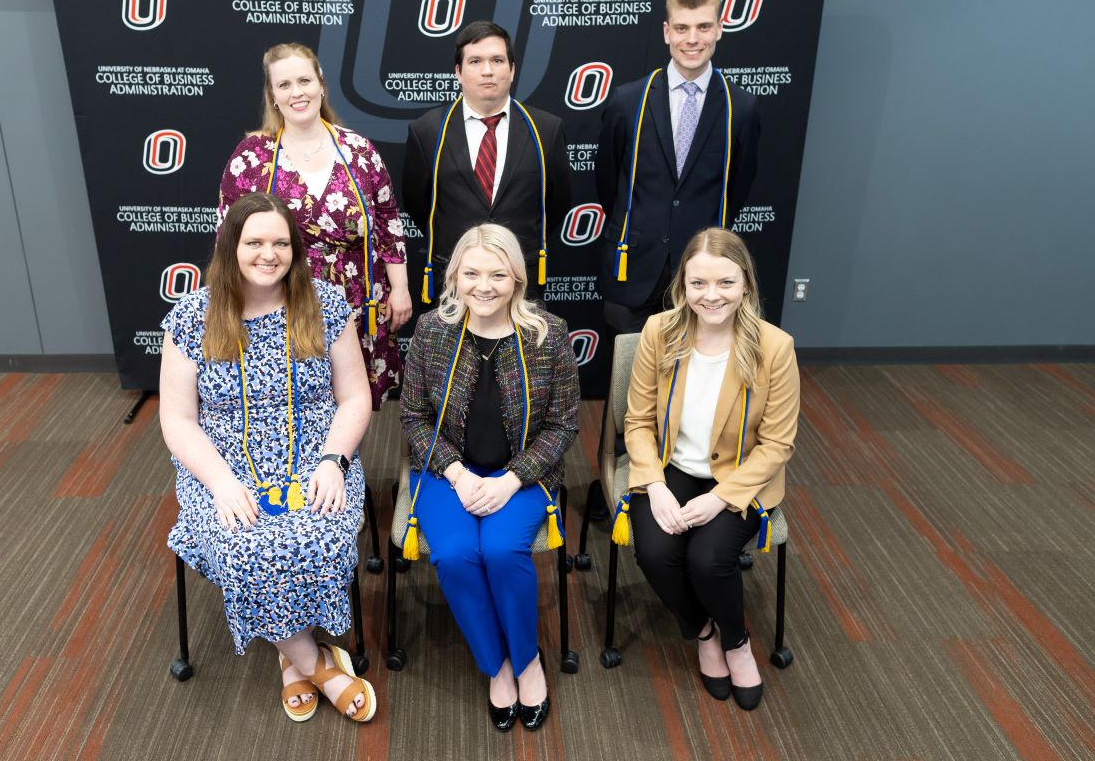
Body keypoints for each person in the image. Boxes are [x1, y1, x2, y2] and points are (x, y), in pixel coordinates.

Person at [159, 192, 377, 724]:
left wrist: (333, 461)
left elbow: (355, 399)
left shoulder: (324, 304)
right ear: (230, 246)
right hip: (220, 465)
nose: (268, 253)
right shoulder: (191, 316)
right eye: (254, 241)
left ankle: (289, 657)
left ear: (294, 250)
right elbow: (178, 420)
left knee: (318, 531)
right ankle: (316, 662)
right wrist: (220, 483)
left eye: (280, 242)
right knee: (242, 544)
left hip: (315, 455)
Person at [399, 224, 580, 731]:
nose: (484, 285)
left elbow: (564, 423)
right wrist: (456, 474)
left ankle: (527, 661)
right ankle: (497, 667)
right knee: (457, 554)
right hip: (446, 472)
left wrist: (509, 480)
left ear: (517, 280)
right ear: (453, 276)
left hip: (523, 476)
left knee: (501, 551)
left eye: (498, 274)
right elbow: (413, 417)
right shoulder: (433, 332)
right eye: (471, 272)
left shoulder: (549, 334)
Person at [621, 227, 798, 711]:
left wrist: (720, 498)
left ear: (746, 285)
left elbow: (778, 443)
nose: (711, 296)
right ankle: (702, 631)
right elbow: (637, 422)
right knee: (655, 552)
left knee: (707, 559)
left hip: (740, 476)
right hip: (670, 466)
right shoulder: (660, 331)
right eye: (698, 283)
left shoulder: (774, 347)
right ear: (683, 285)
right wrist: (654, 486)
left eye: (725, 283)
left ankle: (737, 641)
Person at [218, 43, 411, 412]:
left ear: (321, 85)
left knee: (354, 398)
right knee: (295, 398)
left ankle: (346, 468)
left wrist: (399, 289)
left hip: (359, 300)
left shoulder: (359, 151)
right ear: (272, 96)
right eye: (285, 84)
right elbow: (228, 240)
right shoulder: (252, 158)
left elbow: (388, 224)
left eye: (304, 80)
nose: (297, 93)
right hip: (284, 298)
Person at [595, 0, 761, 333]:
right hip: (633, 265)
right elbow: (608, 181)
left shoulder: (741, 108)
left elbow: (739, 187)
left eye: (703, 27)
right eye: (682, 28)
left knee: (692, 378)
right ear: (667, 32)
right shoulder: (628, 101)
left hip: (703, 274)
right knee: (629, 376)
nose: (692, 39)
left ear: (719, 29)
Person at [403, 21, 571, 303]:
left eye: (497, 60)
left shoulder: (546, 129)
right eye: (475, 61)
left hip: (521, 281)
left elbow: (556, 203)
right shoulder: (427, 131)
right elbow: (419, 205)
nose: (487, 70)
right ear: (458, 71)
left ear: (512, 69)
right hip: (454, 279)